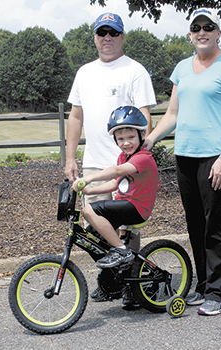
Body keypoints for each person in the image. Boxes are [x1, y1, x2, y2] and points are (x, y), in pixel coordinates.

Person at [144, 8, 221, 316]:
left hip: (216, 157)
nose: (202, 31)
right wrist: (150, 139)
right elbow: (173, 115)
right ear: (190, 34)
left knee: (216, 224)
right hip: (185, 157)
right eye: (196, 27)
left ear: (218, 32)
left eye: (208, 26)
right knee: (195, 223)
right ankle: (204, 285)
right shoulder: (182, 68)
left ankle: (220, 292)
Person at [65, 12, 156, 304]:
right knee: (96, 231)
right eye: (102, 33)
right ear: (94, 37)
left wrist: (140, 157)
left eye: (113, 33)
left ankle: (136, 288)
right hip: (94, 163)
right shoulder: (84, 72)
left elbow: (144, 117)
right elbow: (75, 116)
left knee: (127, 232)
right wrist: (70, 158)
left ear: (122, 37)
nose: (107, 38)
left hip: (126, 167)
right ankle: (111, 281)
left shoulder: (134, 70)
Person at [73, 106, 158, 310]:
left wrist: (90, 177)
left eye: (131, 137)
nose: (126, 143)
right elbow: (115, 184)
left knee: (90, 211)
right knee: (93, 236)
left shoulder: (143, 157)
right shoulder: (124, 156)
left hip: (137, 208)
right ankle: (117, 284)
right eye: (121, 139)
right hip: (125, 203)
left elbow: (118, 171)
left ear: (142, 135)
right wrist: (88, 191)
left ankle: (121, 251)